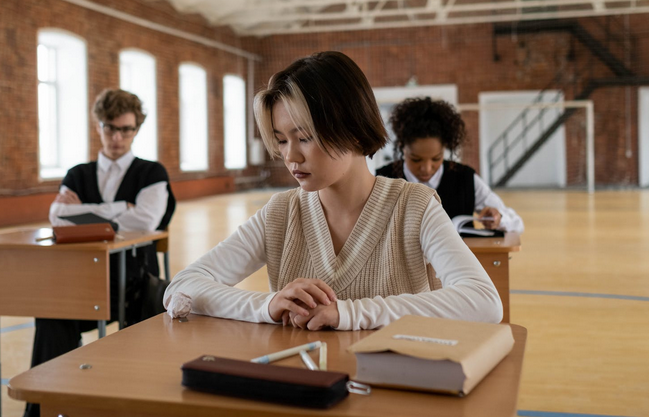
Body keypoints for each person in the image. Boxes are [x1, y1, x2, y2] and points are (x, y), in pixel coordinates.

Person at [163, 51, 502, 332]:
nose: (291, 156)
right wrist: (268, 305)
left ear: (353, 129)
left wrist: (349, 313)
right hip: (308, 387)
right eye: (282, 140)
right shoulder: (281, 213)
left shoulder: (415, 207)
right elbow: (182, 287)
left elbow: (483, 301)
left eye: (305, 137)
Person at [25, 89, 176, 417]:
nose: (117, 137)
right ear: (98, 126)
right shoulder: (78, 173)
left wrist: (86, 211)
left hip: (134, 283)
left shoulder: (152, 173)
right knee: (50, 313)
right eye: (110, 128)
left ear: (136, 130)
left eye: (126, 129)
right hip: (81, 281)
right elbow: (58, 216)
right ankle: (46, 407)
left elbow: (146, 221)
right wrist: (122, 208)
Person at [376, 97, 524, 233]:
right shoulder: (382, 180)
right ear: (402, 147)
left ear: (445, 149)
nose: (427, 168)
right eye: (416, 159)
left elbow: (517, 223)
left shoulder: (464, 178)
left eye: (436, 158)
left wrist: (497, 218)